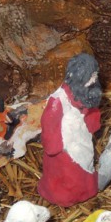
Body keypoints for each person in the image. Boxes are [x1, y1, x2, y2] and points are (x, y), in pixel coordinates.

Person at [37, 53, 102, 207]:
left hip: (82, 139)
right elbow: (49, 124)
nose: (94, 80)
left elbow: (91, 113)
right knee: (68, 176)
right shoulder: (58, 100)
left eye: (95, 75)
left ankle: (87, 189)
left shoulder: (85, 93)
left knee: (85, 167)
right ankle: (65, 196)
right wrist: (57, 146)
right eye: (90, 76)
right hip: (65, 148)